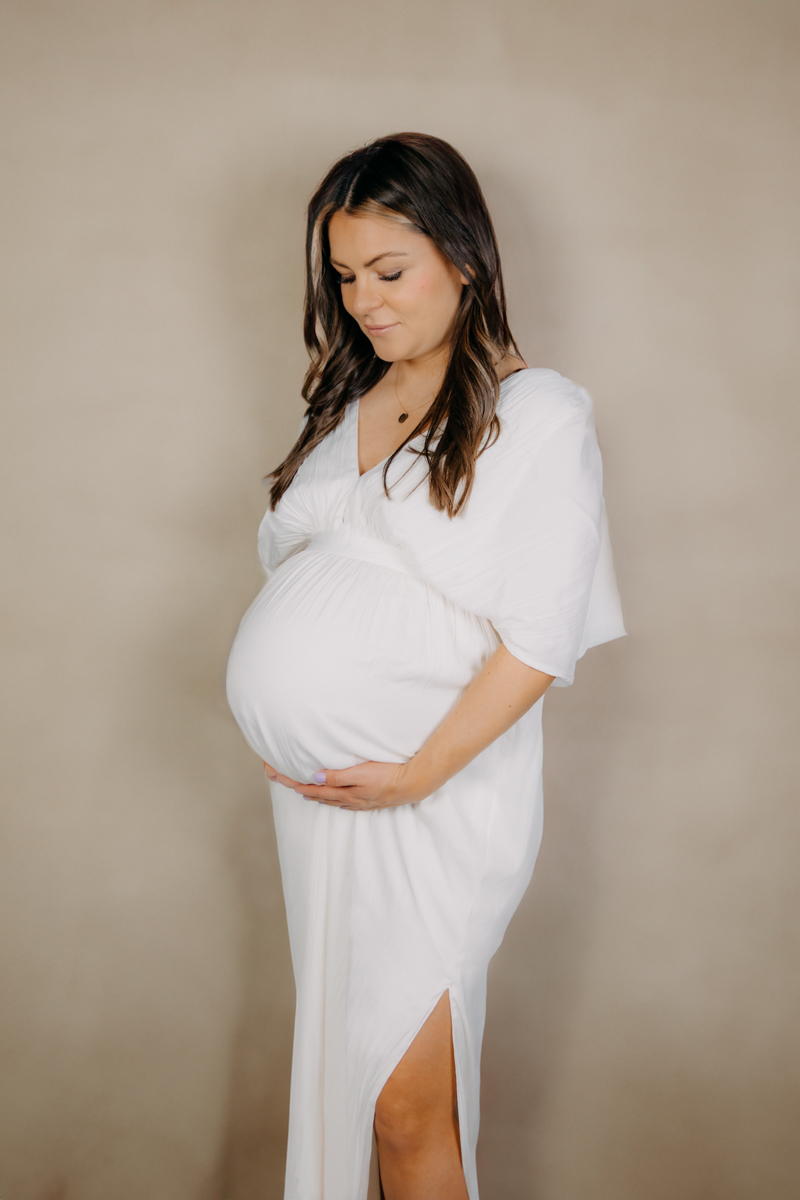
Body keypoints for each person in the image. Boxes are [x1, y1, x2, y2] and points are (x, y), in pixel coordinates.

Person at [226, 132, 625, 1200]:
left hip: (434, 795)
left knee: (406, 1103)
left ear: (462, 255)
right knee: (366, 1089)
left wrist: (414, 775)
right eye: (345, 276)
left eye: (388, 271)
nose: (362, 299)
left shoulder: (535, 413)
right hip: (328, 809)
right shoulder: (339, 416)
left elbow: (538, 639)